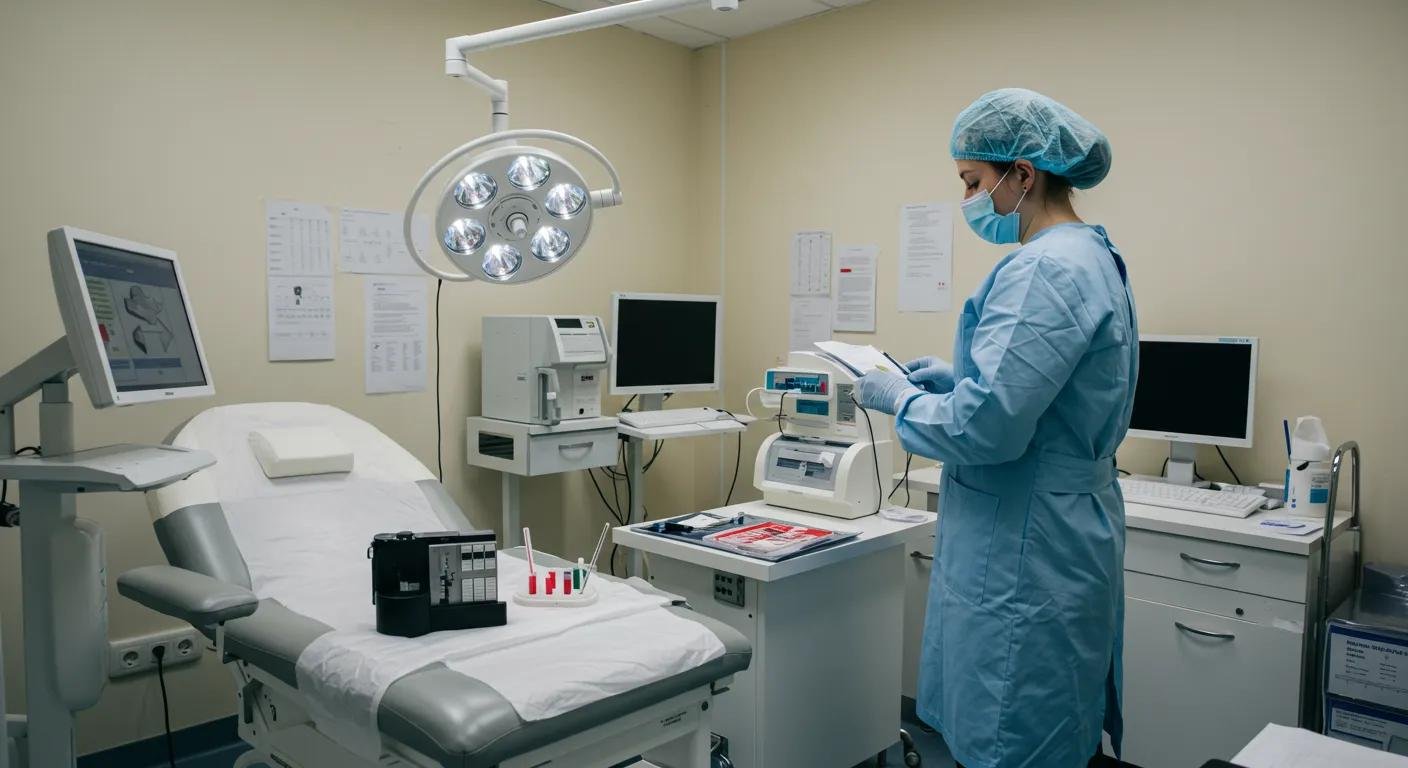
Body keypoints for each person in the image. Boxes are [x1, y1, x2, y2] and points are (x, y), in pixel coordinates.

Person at [856, 88, 1138, 768]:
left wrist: (900, 401)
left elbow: (989, 432)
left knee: (1014, 732)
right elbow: (1044, 399)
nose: (968, 201)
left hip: (1028, 544)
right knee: (1052, 726)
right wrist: (961, 386)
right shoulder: (1091, 256)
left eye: (972, 182)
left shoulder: (1044, 269)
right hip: (1062, 528)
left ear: (1023, 174)